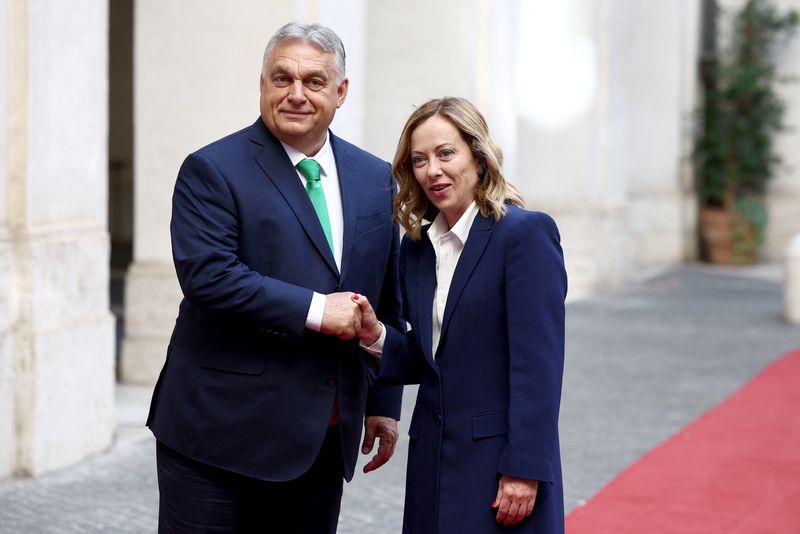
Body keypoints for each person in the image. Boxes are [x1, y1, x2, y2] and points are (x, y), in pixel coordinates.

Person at [146, 22, 403, 533]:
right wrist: (317, 310)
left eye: (314, 81)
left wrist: (382, 402)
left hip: (322, 437)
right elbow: (209, 277)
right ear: (262, 83)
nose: (296, 94)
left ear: (340, 92)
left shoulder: (375, 178)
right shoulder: (212, 169)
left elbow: (385, 298)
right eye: (281, 78)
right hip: (216, 434)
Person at [354, 97, 567, 533]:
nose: (432, 170)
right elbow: (430, 359)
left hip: (500, 464)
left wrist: (525, 469)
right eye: (419, 159)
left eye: (446, 153)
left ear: (478, 156)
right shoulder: (416, 248)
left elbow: (538, 366)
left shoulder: (524, 235)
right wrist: (377, 336)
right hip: (433, 460)